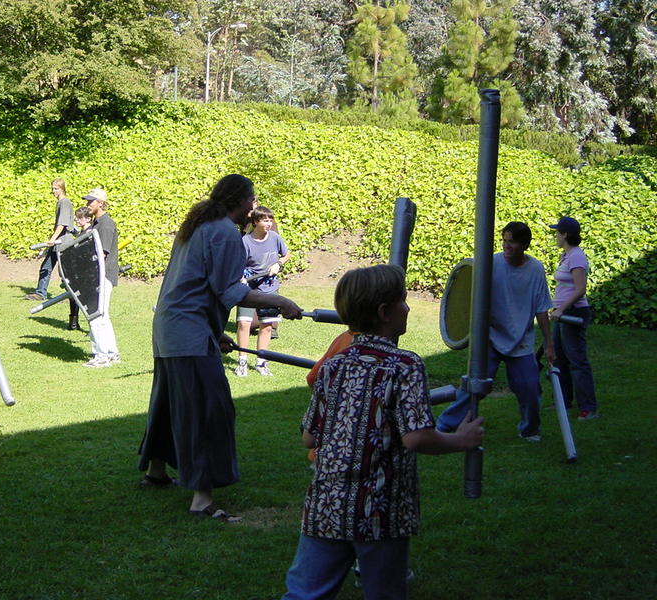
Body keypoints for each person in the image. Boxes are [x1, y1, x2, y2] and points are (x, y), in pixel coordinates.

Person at [281, 264, 484, 600]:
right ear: (384, 312)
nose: (409, 308)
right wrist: (461, 440)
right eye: (403, 300)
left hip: (326, 503)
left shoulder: (333, 365)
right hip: (380, 509)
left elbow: (309, 437)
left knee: (304, 593)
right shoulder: (405, 365)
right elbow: (416, 437)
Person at [138, 174, 303, 522]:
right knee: (210, 410)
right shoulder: (225, 232)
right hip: (189, 333)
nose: (254, 205)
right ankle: (201, 501)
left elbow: (194, 285)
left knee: (168, 403)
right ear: (239, 200)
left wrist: (213, 333)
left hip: (169, 329)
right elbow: (231, 291)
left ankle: (156, 472)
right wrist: (279, 301)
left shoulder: (197, 226)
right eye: (251, 199)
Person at [436, 221, 555, 441]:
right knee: (475, 386)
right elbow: (468, 296)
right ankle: (445, 425)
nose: (507, 246)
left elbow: (541, 308)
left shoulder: (535, 269)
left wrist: (548, 342)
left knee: (529, 388)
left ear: (525, 245)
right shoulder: (490, 264)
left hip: (520, 340)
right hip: (490, 337)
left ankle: (530, 430)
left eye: (512, 242)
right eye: (504, 241)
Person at [548, 216, 599, 420]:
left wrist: (561, 309)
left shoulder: (576, 256)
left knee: (577, 361)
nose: (555, 236)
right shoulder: (567, 255)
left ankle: (589, 408)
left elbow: (580, 289)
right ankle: (564, 402)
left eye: (557, 233)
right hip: (563, 313)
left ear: (565, 234)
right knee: (559, 359)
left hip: (573, 313)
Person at [234, 205, 290, 377]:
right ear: (255, 222)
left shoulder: (274, 237)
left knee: (266, 326)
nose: (269, 223)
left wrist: (278, 264)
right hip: (248, 289)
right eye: (265, 220)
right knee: (244, 324)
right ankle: (242, 361)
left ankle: (261, 362)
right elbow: (237, 264)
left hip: (269, 288)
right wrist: (241, 277)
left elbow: (286, 255)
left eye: (270, 220)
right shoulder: (245, 241)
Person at [82, 189, 119, 368]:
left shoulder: (105, 225)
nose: (88, 204)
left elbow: (101, 254)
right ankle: (112, 353)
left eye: (91, 201)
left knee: (96, 316)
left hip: (102, 276)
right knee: (102, 316)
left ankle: (102, 356)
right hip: (100, 276)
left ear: (101, 203)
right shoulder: (97, 223)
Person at [25, 178, 73, 301]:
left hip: (63, 242)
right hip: (56, 242)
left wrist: (52, 239)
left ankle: (73, 295)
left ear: (62, 189)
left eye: (56, 188)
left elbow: (62, 224)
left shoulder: (65, 202)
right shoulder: (60, 202)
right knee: (46, 267)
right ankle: (40, 293)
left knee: (65, 272)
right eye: (52, 188)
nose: (53, 191)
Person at [67, 206, 92, 331]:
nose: (77, 220)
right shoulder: (82, 232)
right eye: (76, 218)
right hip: (78, 270)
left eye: (79, 218)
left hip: (87, 272)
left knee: (88, 300)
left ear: (88, 219)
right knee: (73, 296)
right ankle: (73, 322)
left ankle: (92, 327)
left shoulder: (90, 233)